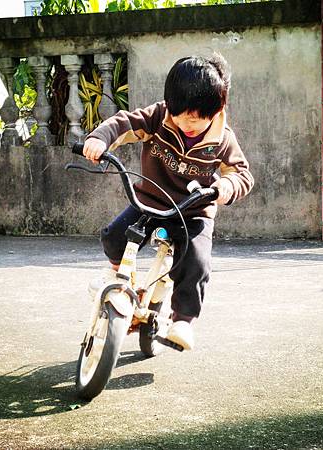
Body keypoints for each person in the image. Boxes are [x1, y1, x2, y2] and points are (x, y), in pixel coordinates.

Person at [79, 54, 254, 350]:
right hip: (151, 200)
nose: (187, 123)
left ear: (217, 110)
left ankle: (183, 320)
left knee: (196, 263)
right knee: (114, 236)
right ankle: (119, 277)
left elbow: (242, 174)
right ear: (169, 104)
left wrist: (227, 185)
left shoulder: (223, 139)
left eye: (196, 119)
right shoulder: (159, 117)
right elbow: (124, 124)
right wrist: (99, 139)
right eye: (181, 115)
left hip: (194, 211)